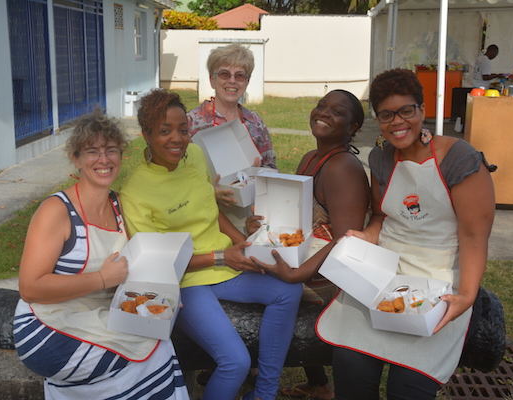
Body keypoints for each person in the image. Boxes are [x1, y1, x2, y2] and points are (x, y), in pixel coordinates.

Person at [315, 68, 496, 400]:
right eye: (387, 115)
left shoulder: (460, 160)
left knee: (408, 387)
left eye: (406, 111)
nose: (397, 122)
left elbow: (474, 236)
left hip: (440, 280)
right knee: (351, 366)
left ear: (422, 110)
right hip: (384, 275)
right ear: (378, 120)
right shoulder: (381, 159)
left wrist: (467, 295)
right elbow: (384, 215)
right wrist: (366, 235)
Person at [119, 89, 303, 400]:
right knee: (235, 362)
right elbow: (156, 262)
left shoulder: (196, 155)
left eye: (183, 129)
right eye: (165, 131)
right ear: (146, 134)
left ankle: (264, 394)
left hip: (225, 261)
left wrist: (239, 240)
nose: (177, 139)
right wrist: (221, 257)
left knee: (288, 290)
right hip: (186, 281)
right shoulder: (135, 192)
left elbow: (210, 207)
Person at [13, 108, 189, 400]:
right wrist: (101, 279)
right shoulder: (56, 211)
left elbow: (132, 272)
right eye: (92, 151)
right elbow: (30, 288)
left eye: (111, 150)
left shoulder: (119, 206)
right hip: (46, 327)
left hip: (95, 317)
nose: (104, 160)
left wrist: (158, 299)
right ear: (77, 159)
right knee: (153, 350)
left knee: (157, 336)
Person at [248, 90, 371, 400]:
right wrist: (260, 226)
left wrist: (297, 274)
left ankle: (253, 372)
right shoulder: (311, 158)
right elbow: (295, 217)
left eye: (338, 112)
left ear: (353, 127)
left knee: (244, 281)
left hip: (330, 277)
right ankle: (317, 383)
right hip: (308, 259)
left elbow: (348, 239)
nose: (325, 113)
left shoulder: (344, 168)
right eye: (321, 106)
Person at [188, 43, 276, 209]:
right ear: (212, 80)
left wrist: (258, 175)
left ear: (247, 82)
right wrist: (208, 191)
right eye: (224, 74)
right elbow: (179, 174)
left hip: (249, 209)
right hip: (204, 210)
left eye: (240, 76)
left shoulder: (254, 122)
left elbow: (270, 166)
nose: (232, 81)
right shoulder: (192, 122)